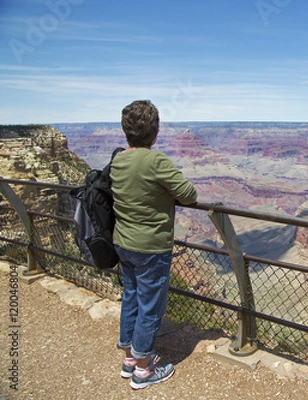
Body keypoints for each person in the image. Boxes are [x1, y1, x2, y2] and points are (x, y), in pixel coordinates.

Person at [110, 100, 198, 389]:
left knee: (131, 297)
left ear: (126, 131)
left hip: (123, 243)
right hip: (151, 248)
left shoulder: (119, 159)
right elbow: (188, 194)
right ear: (155, 131)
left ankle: (129, 359)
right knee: (150, 307)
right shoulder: (155, 161)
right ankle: (145, 370)